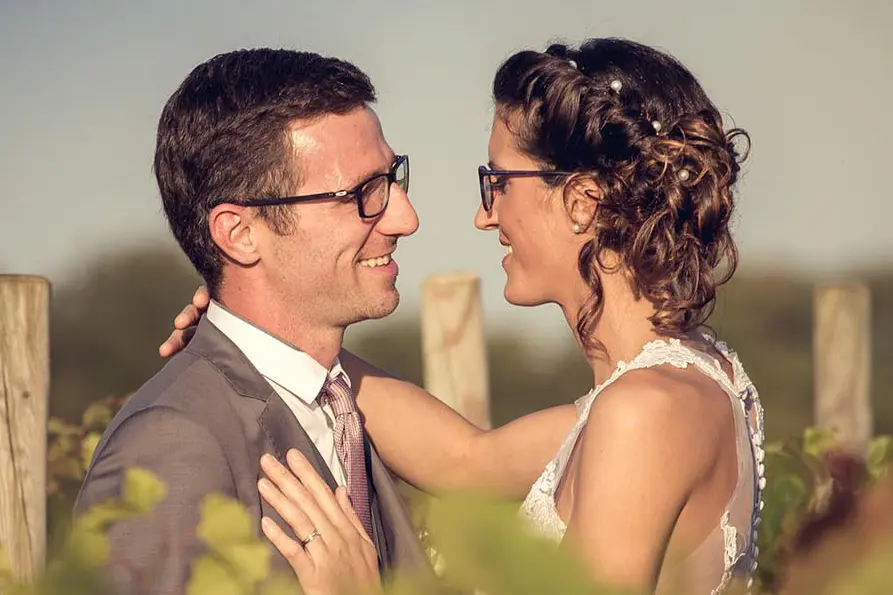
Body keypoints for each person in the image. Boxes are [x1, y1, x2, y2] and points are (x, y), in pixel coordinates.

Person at [161, 38, 765, 594]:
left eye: (498, 182)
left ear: (581, 202)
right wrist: (259, 332)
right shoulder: (683, 379)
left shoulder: (643, 413)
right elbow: (465, 461)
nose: (485, 215)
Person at [75, 48, 437, 595]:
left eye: (392, 178)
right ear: (240, 234)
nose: (404, 217)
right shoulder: (173, 444)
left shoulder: (341, 403)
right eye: (362, 194)